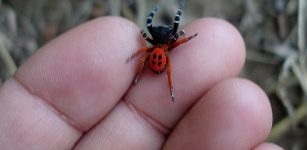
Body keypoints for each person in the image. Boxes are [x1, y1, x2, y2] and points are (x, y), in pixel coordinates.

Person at [0, 17, 283, 150]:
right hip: (155, 61)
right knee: (166, 63)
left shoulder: (154, 49)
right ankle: (163, 84)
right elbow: (148, 51)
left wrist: (143, 63)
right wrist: (142, 65)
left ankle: (162, 83)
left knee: (167, 63)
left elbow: (146, 50)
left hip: (154, 61)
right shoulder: (158, 50)